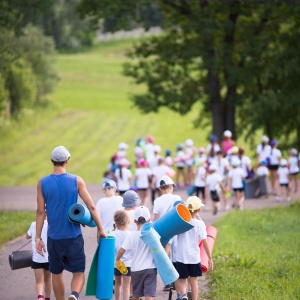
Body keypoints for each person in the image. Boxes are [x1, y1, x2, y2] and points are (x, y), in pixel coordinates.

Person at [35, 145, 106, 300]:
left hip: (54, 238)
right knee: (79, 272)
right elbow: (91, 206)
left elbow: (41, 211)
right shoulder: (76, 181)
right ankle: (74, 294)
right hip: (73, 236)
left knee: (56, 273)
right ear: (67, 161)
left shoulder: (42, 183)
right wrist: (100, 229)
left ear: (51, 161)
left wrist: (38, 238)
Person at [174, 196, 213, 300]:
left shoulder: (180, 222)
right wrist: (210, 258)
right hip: (194, 257)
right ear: (198, 210)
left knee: (182, 279)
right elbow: (205, 243)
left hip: (181, 256)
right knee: (194, 280)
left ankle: (184, 295)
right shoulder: (200, 224)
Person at [116, 206, 158, 300]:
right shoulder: (152, 233)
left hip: (136, 269)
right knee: (149, 294)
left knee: (136, 294)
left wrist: (118, 259)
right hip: (150, 268)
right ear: (149, 220)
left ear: (134, 221)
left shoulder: (132, 235)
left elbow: (122, 249)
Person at [26, 216, 51, 300]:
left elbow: (27, 236)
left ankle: (40, 297)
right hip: (48, 259)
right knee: (47, 280)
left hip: (37, 259)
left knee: (39, 281)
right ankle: (47, 298)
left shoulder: (34, 224)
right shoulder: (51, 225)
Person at [110, 210, 132, 300]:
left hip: (117, 263)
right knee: (126, 286)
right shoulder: (131, 234)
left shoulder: (112, 234)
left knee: (118, 284)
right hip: (129, 264)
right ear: (128, 221)